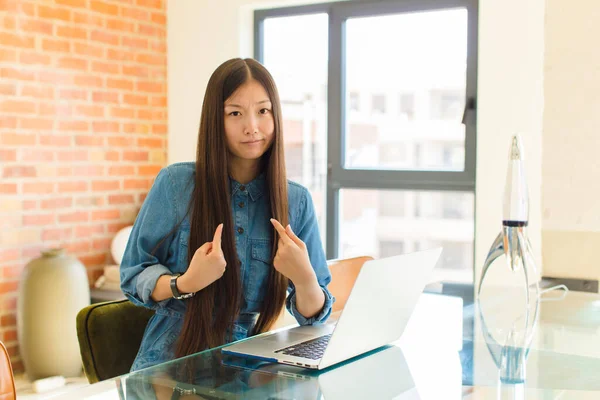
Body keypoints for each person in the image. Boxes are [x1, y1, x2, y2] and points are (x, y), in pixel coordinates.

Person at [120, 58, 334, 371]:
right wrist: (186, 281)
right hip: (172, 362)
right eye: (235, 113)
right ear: (215, 120)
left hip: (253, 364)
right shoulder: (176, 184)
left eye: (263, 111)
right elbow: (132, 275)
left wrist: (304, 279)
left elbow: (314, 317)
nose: (252, 127)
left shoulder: (296, 201)